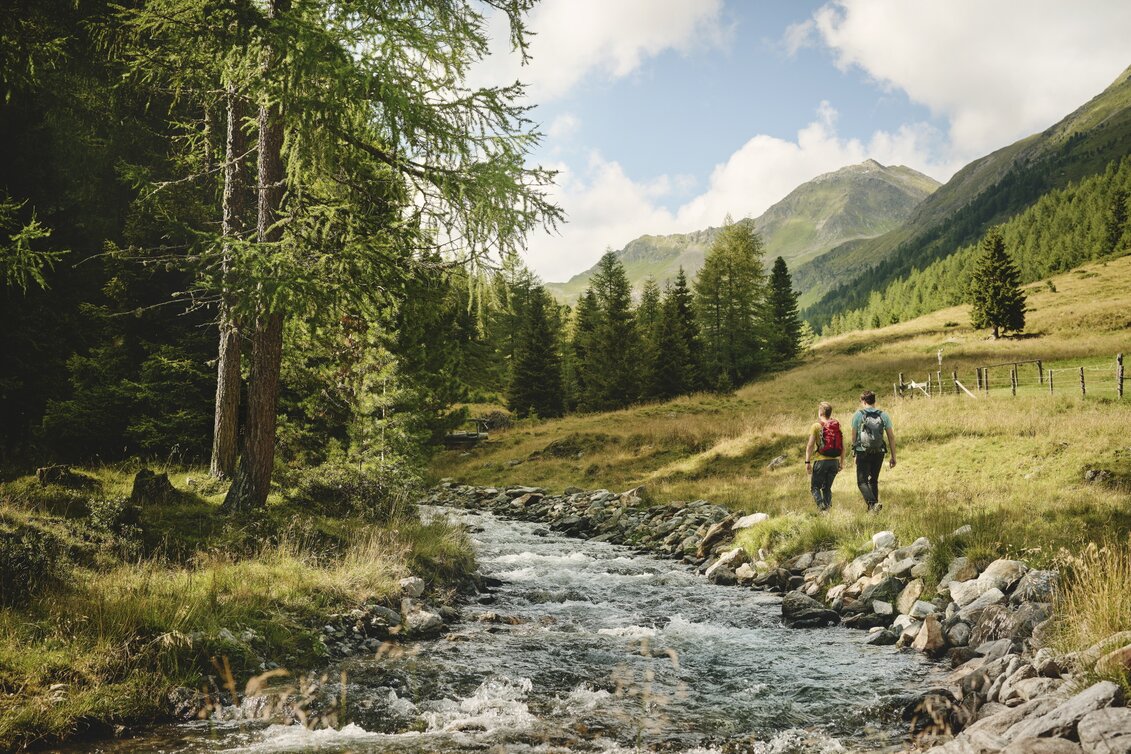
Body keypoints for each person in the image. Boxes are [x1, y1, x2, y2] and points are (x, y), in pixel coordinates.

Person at [850, 390, 896, 513]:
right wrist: (893, 456)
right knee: (873, 480)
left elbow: (853, 436)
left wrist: (854, 452)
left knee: (861, 482)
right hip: (879, 452)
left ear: (863, 401)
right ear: (874, 401)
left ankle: (873, 504)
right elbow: (891, 436)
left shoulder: (858, 415)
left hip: (862, 452)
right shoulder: (883, 415)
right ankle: (874, 511)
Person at [805, 401, 843, 511]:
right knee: (827, 488)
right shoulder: (837, 426)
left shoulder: (816, 426)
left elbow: (810, 445)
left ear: (821, 412)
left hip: (821, 462)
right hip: (834, 462)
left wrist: (807, 462)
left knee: (815, 487)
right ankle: (827, 511)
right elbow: (842, 446)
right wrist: (842, 462)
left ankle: (822, 508)